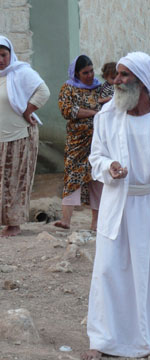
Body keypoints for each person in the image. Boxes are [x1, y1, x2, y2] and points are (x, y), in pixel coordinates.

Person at [81, 51, 150, 360]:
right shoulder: (107, 116)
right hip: (118, 206)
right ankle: (103, 339)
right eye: (116, 75)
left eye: (124, 75)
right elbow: (96, 159)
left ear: (142, 83)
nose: (116, 81)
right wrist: (110, 168)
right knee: (108, 271)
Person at [0, 36, 50, 237]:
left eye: (3, 55)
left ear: (10, 54)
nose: (0, 59)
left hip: (19, 137)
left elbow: (43, 91)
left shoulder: (21, 72)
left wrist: (28, 111)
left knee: (15, 180)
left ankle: (14, 225)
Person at [55, 55, 103, 231]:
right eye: (85, 73)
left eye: (91, 71)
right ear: (76, 74)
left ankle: (96, 223)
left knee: (97, 178)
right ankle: (66, 219)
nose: (90, 75)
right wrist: (93, 113)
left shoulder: (101, 89)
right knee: (72, 177)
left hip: (98, 141)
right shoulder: (68, 88)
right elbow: (68, 110)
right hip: (77, 142)